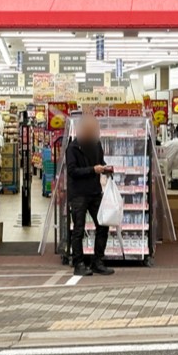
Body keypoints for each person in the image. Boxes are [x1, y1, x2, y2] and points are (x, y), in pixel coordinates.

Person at [65, 115, 115, 277]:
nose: (95, 132)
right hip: (78, 194)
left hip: (95, 192)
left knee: (103, 225)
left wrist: (106, 168)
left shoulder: (96, 144)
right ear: (82, 130)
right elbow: (72, 171)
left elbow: (100, 161)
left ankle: (97, 261)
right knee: (78, 229)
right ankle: (78, 263)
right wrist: (93, 170)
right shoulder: (73, 148)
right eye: (92, 129)